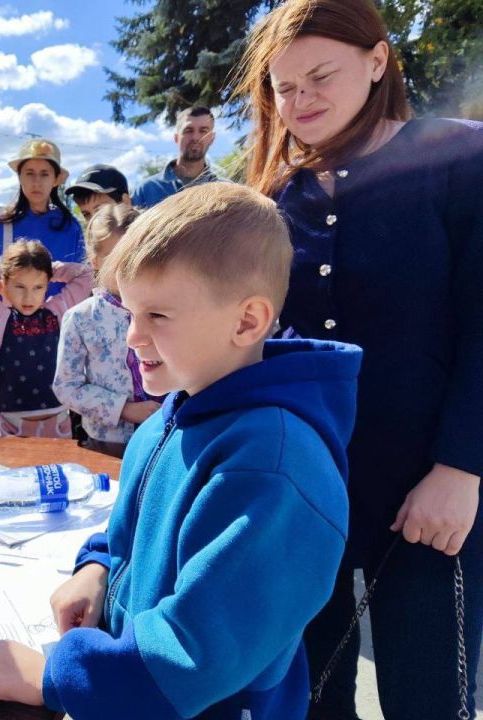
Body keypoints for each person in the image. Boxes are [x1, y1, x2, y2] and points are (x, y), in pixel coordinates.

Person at [0, 183, 362, 720]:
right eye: (129, 311)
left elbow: (194, 653)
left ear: (247, 321)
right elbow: (128, 530)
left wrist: (56, 676)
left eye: (158, 316)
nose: (132, 336)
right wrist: (98, 569)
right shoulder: (172, 414)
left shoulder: (273, 469)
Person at [238, 1, 483, 717]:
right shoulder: (278, 194)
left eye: (319, 76)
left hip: (430, 499)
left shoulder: (458, 158)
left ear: (377, 62)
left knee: (428, 695)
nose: (299, 101)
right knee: (307, 697)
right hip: (301, 497)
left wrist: (461, 468)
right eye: (283, 88)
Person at [0, 138, 85, 373]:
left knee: (56, 408)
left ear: (57, 179)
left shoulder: (70, 227)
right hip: (4, 338)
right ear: (19, 176)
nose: (36, 181)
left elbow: (80, 288)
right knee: (4, 408)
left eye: (44, 173)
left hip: (57, 339)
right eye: (29, 173)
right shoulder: (0, 226)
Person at [0, 240, 92, 439]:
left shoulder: (59, 310)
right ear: (6, 282)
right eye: (19, 286)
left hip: (58, 420)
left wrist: (47, 268)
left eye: (38, 287)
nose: (29, 297)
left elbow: (86, 274)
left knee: (57, 470)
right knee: (13, 471)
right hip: (12, 425)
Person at [52, 203, 158, 456]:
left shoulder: (167, 309)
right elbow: (66, 386)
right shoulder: (81, 318)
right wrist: (123, 409)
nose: (125, 267)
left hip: (166, 437)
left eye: (134, 254)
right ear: (95, 260)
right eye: (114, 257)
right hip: (108, 443)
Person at [131, 107, 222, 209]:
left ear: (212, 138)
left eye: (203, 131)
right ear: (176, 138)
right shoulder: (146, 190)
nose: (195, 137)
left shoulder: (226, 192)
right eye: (188, 130)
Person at [65, 164, 132, 222]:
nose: (93, 222)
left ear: (126, 202)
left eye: (101, 211)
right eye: (86, 214)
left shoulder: (141, 233)